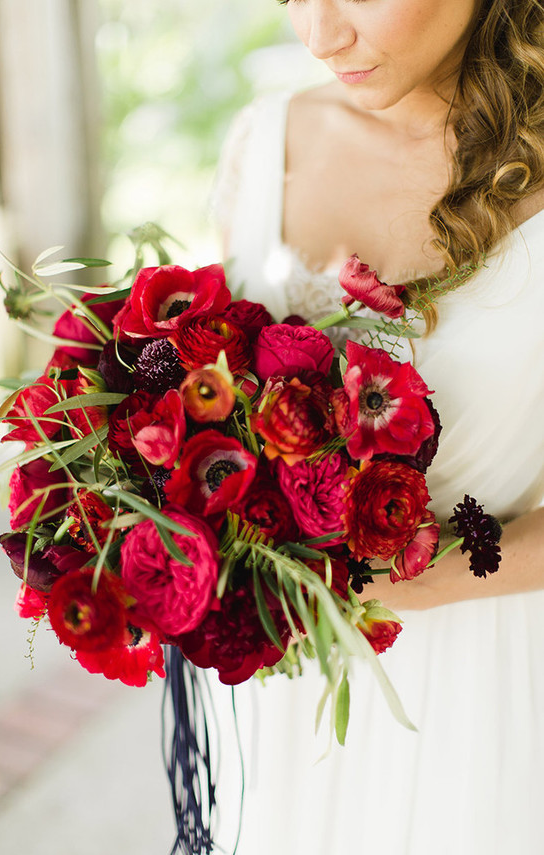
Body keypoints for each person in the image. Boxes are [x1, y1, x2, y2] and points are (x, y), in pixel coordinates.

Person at [210, 1, 544, 853]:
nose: (320, 37)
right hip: (286, 700)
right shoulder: (265, 143)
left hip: (495, 692)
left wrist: (411, 584)